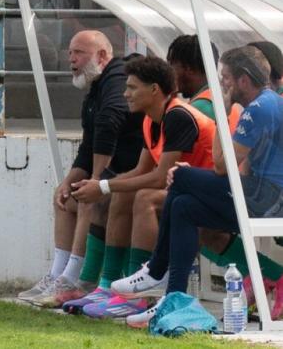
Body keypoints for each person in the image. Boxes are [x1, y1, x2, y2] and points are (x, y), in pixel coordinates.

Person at [112, 45, 283, 326]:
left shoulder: (258, 109)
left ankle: (157, 268)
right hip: (265, 194)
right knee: (183, 205)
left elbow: (219, 165)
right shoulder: (266, 103)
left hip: (270, 200)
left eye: (225, 78)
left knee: (180, 179)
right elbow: (241, 168)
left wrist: (223, 111)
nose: (220, 84)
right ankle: (174, 298)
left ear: (242, 80)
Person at [70, 55, 217, 318]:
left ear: (154, 90)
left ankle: (143, 291)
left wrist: (103, 186)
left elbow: (159, 178)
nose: (125, 94)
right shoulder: (151, 120)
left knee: (144, 197)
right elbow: (140, 171)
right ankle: (108, 287)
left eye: (132, 88)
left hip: (213, 193)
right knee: (122, 195)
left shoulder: (178, 116)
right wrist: (100, 185)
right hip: (184, 192)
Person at [17, 31, 143, 308]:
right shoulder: (96, 88)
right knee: (65, 196)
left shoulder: (117, 76)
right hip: (116, 176)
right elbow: (88, 145)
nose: (71, 59)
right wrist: (69, 180)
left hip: (134, 175)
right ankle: (57, 273)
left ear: (102, 56)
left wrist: (96, 180)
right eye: (70, 52)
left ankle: (74, 279)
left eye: (79, 53)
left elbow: (110, 121)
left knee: (87, 198)